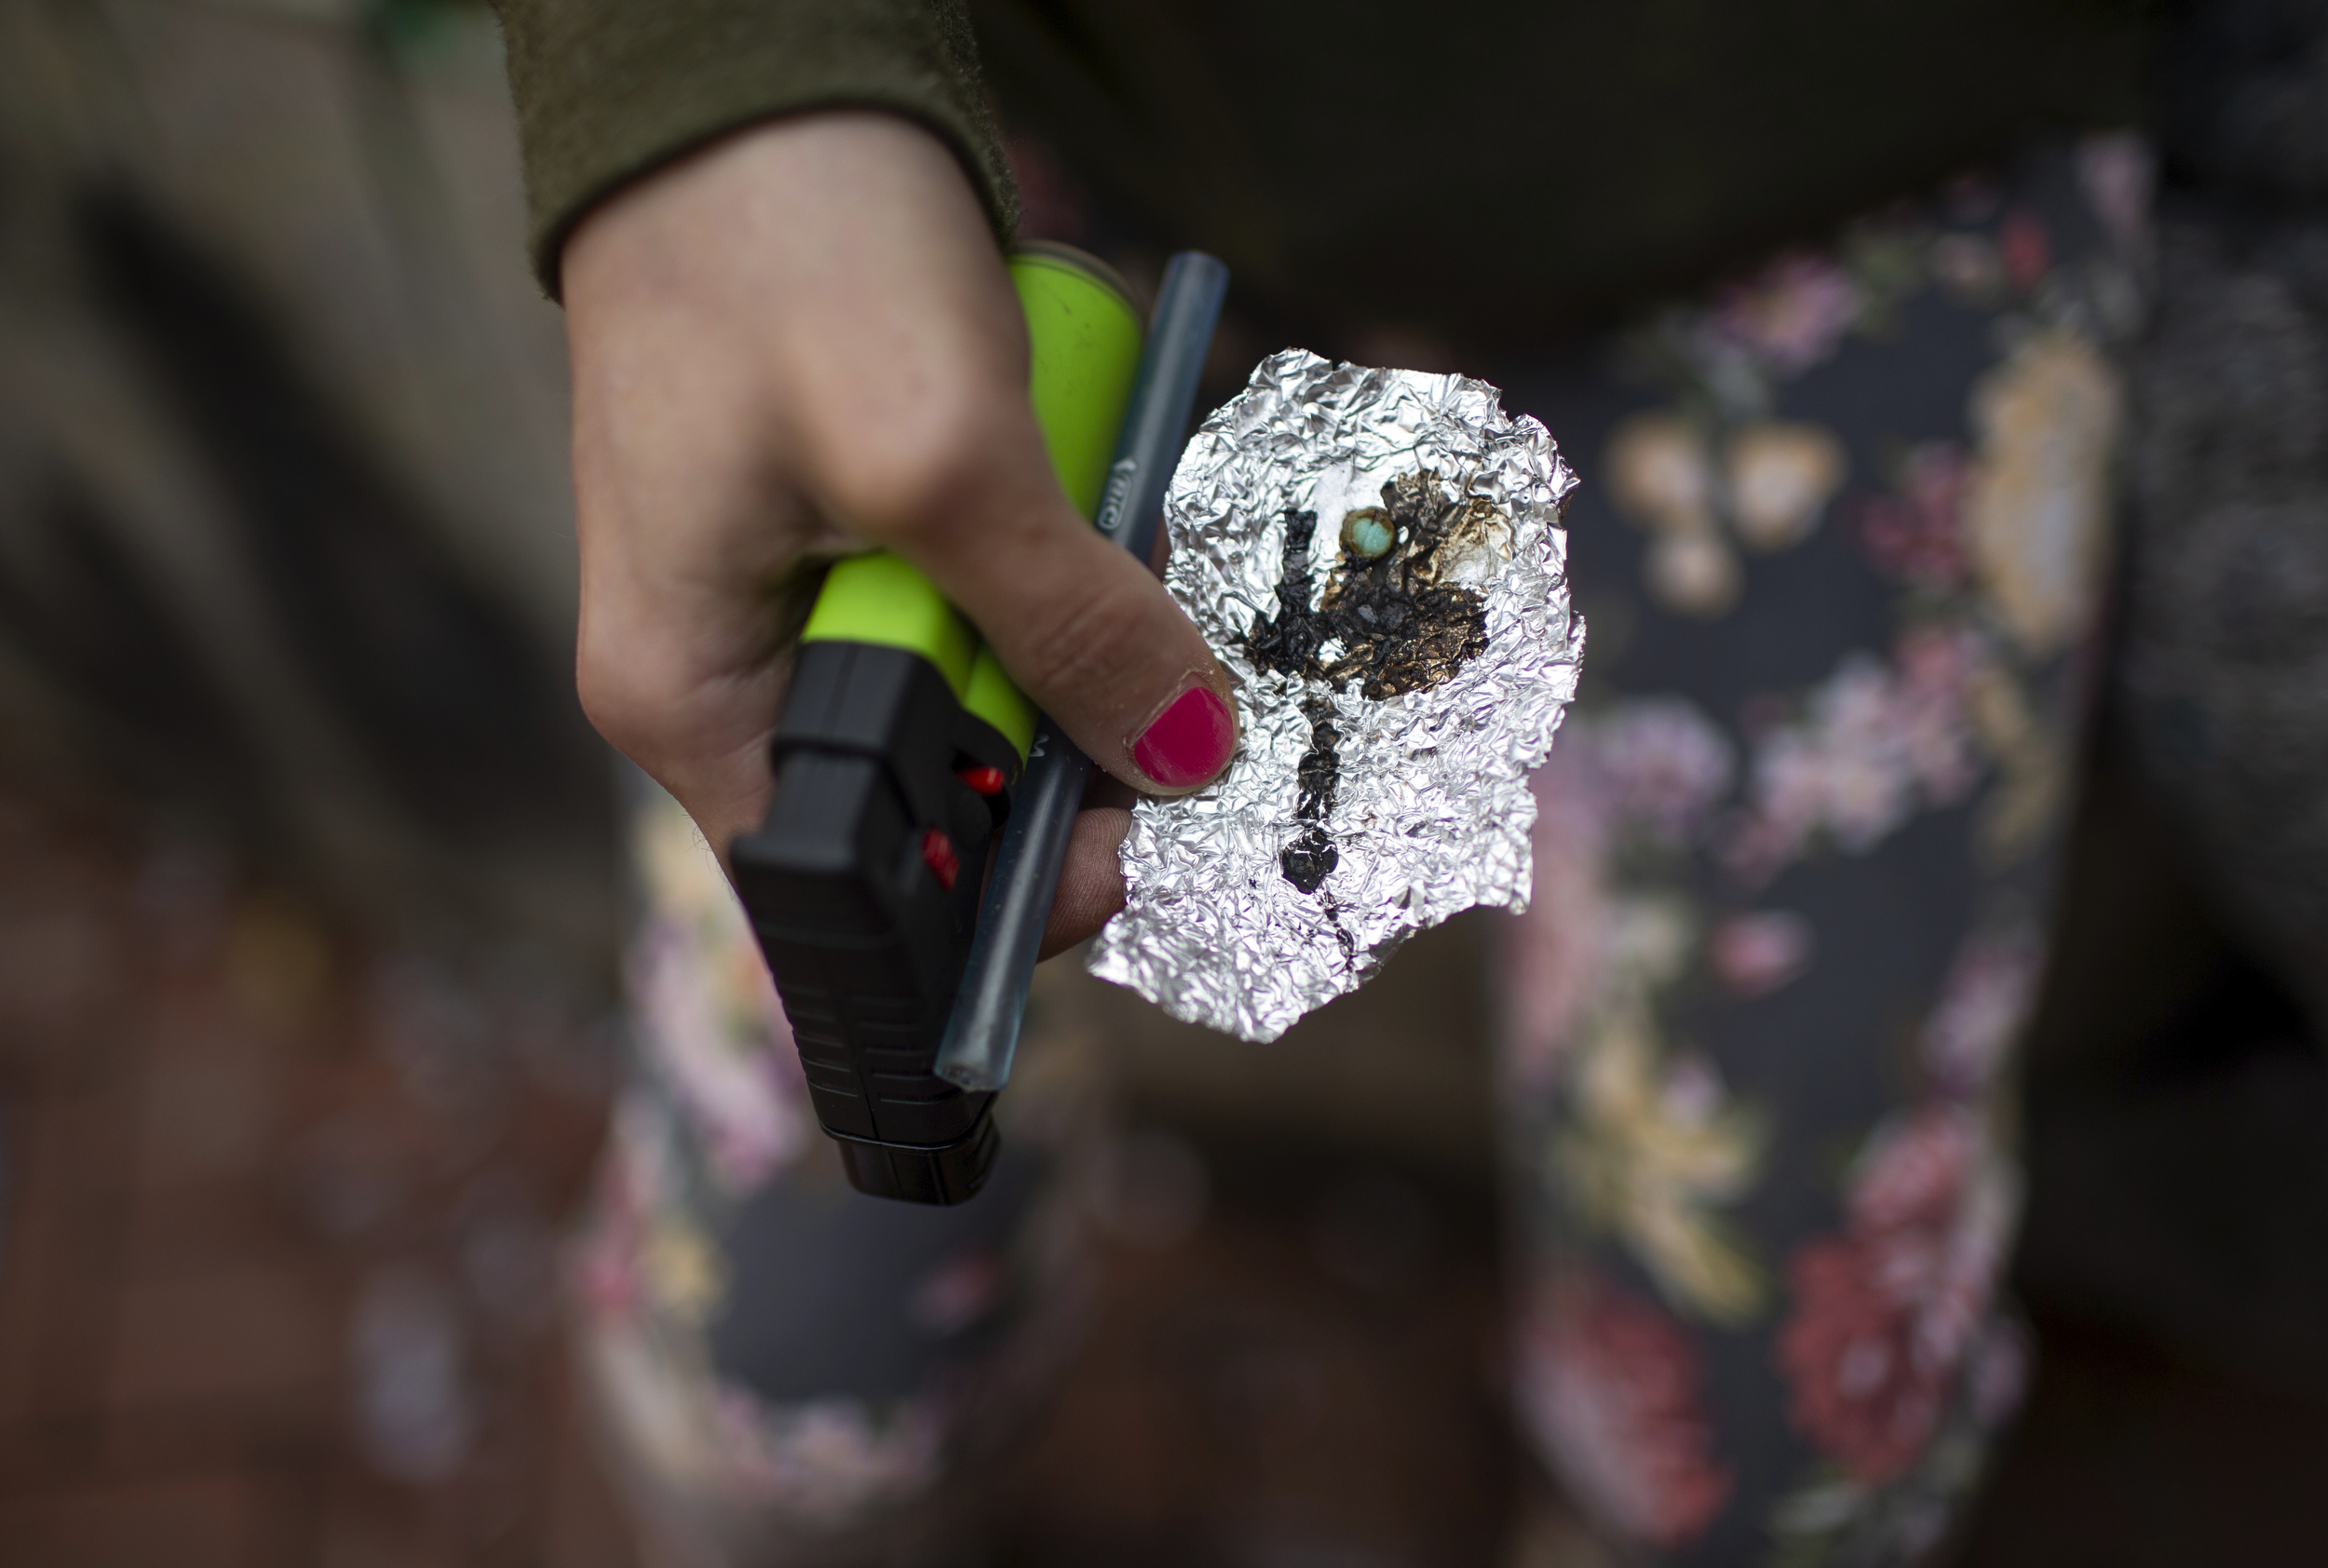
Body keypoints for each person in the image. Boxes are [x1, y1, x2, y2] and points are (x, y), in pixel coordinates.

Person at [488, 3, 2328, 1564]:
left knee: (1766, 1429)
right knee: (786, 1358)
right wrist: (698, 69)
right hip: (1003, 102)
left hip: (1839, 134)